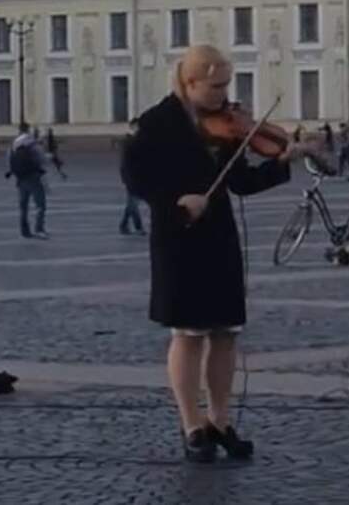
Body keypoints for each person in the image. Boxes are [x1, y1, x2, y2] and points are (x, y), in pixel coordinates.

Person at [123, 44, 307, 462]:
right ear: (189, 83)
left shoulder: (223, 125)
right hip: (179, 237)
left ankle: (220, 421)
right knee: (188, 334)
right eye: (215, 86)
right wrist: (176, 202)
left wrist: (281, 163)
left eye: (227, 85)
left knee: (225, 333)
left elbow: (240, 181)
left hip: (219, 235)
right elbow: (135, 177)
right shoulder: (157, 123)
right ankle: (192, 425)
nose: (224, 95)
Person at [8, 123, 49, 239]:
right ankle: (39, 229)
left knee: (23, 207)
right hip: (33, 177)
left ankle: (24, 231)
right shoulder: (32, 143)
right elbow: (42, 159)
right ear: (28, 130)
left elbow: (9, 160)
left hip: (20, 179)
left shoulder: (14, 143)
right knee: (40, 205)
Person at [118, 118, 145, 235]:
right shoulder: (129, 141)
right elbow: (126, 162)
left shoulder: (137, 140)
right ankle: (137, 227)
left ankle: (124, 225)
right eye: (137, 126)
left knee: (132, 203)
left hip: (136, 176)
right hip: (131, 176)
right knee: (133, 203)